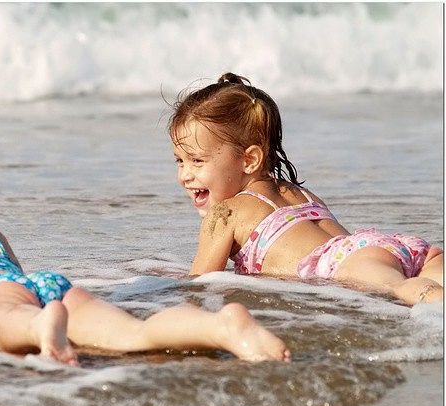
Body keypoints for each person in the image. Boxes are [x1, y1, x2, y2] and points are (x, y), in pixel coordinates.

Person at [0, 109, 290, 366]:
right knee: (135, 334)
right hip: (44, 287)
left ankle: (39, 329)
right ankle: (222, 326)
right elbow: (14, 283)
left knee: (1, 324)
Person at [169, 73, 443, 306]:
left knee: (406, 290)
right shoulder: (298, 194)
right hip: (386, 247)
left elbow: (200, 285)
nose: (185, 175)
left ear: (249, 160)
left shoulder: (226, 213)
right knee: (425, 277)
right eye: (180, 161)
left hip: (345, 265)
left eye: (197, 161)